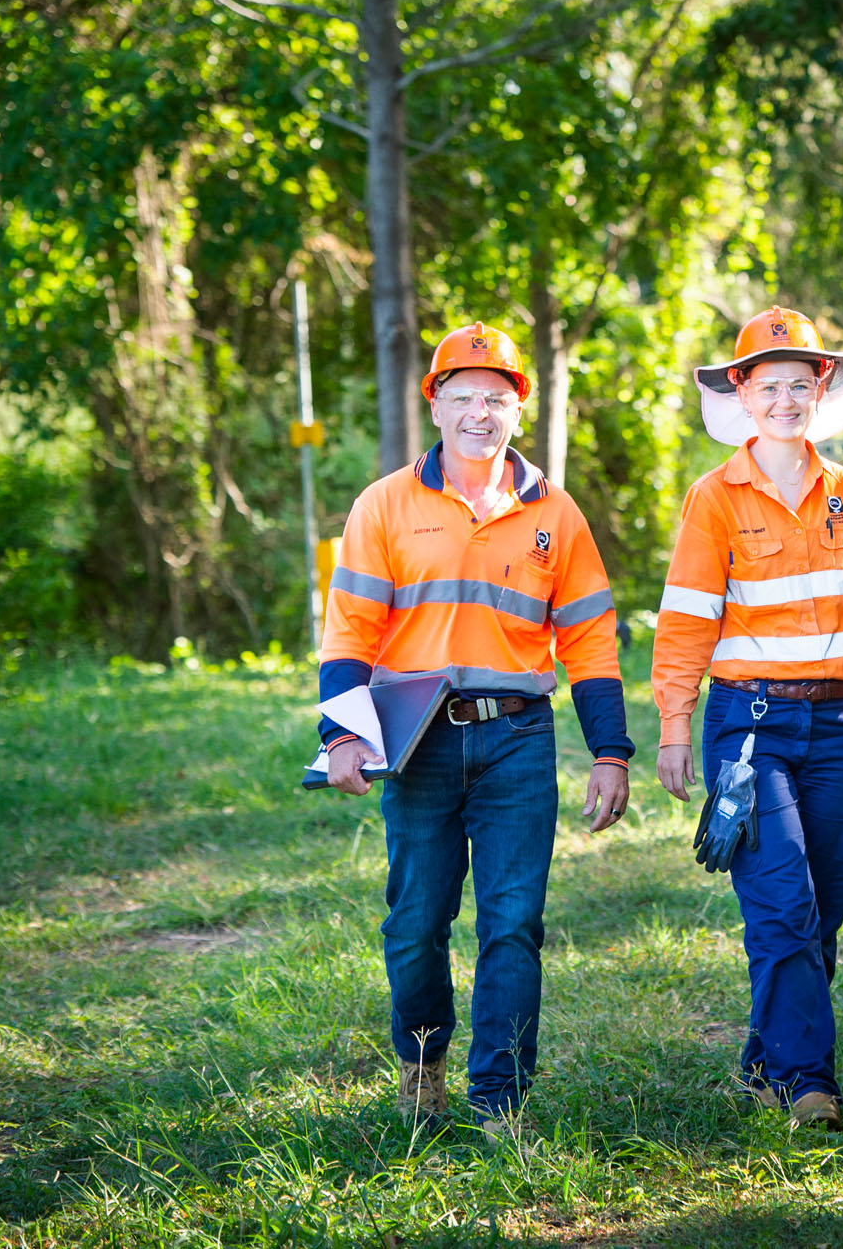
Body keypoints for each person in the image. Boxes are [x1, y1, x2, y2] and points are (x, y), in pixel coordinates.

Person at [317, 320, 633, 1136]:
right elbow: (348, 630)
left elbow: (591, 639)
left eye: (496, 398)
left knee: (512, 922)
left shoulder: (554, 514)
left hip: (519, 741)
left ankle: (500, 1100)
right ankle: (422, 1064)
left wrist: (610, 751)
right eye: (463, 397)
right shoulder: (384, 504)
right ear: (436, 404)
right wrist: (342, 735)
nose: (479, 414)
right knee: (416, 923)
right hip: (415, 742)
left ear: (518, 409)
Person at [652, 306, 843, 1131]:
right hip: (750, 726)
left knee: (824, 904)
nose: (787, 399)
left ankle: (767, 1057)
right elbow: (688, 616)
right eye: (771, 386)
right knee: (782, 901)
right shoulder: (714, 497)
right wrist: (673, 723)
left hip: (841, 726)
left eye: (802, 384)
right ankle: (809, 1082)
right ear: (743, 393)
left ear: (821, 391)